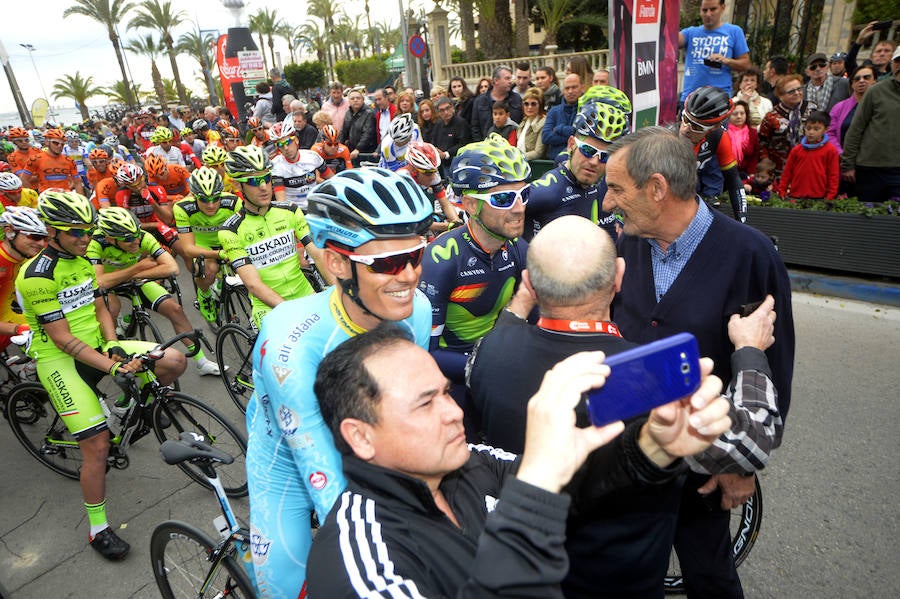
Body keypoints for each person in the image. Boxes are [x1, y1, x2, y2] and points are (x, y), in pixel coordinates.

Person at [467, 215, 783, 597]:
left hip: (527, 569)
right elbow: (752, 441)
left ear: (530, 284)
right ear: (619, 276)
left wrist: (521, 301)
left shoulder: (488, 351)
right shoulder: (653, 378)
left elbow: (506, 329)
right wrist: (750, 351)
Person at [307, 321, 733, 597]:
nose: (455, 411)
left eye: (446, 392)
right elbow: (538, 488)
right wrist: (537, 486)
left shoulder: (466, 462)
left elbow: (566, 483)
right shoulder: (360, 562)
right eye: (425, 404)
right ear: (360, 437)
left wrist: (655, 446)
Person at [603, 126, 794, 599]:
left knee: (710, 578)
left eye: (616, 189)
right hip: (633, 459)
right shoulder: (626, 242)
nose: (607, 203)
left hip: (706, 468)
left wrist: (743, 464)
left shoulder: (750, 255)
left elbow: (774, 367)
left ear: (657, 189)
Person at [245, 168, 434, 597]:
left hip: (366, 432)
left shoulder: (416, 311)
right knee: (286, 582)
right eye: (386, 263)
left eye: (416, 256)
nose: (407, 276)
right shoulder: (289, 344)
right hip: (288, 457)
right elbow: (322, 472)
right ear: (336, 263)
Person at [17, 190, 186, 561]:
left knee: (173, 361)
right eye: (75, 232)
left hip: (96, 345)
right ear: (52, 231)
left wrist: (114, 347)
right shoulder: (37, 276)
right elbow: (61, 339)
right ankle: (98, 530)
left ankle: (130, 412)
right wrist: (113, 366)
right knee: (96, 446)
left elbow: (100, 308)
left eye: (88, 231)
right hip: (59, 359)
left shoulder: (81, 259)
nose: (84, 238)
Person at [419, 133, 530, 437]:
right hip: (453, 376)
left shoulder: (519, 248)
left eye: (524, 194)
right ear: (469, 204)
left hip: (496, 365)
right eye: (504, 198)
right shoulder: (441, 259)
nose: (519, 208)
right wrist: (485, 364)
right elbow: (425, 351)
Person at [86, 207, 220, 375]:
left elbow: (172, 268)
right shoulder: (96, 243)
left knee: (175, 310)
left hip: (133, 278)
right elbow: (99, 281)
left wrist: (134, 274)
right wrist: (138, 267)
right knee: (111, 308)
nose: (136, 241)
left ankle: (202, 361)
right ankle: (111, 356)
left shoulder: (143, 237)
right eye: (128, 239)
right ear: (110, 239)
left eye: (136, 235)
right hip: (109, 285)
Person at [218, 145, 324, 330]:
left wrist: (341, 288)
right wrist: (290, 310)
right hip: (267, 307)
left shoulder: (290, 210)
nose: (263, 187)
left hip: (305, 294)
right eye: (253, 181)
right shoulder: (230, 230)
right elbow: (253, 284)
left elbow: (317, 253)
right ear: (237, 185)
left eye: (266, 178)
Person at [527, 87, 631, 240]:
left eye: (605, 157)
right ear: (571, 145)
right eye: (587, 150)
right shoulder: (548, 191)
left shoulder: (594, 181)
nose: (595, 161)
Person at [172, 167, 242, 324]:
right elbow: (188, 249)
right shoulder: (183, 208)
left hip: (226, 239)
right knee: (209, 270)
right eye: (204, 199)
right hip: (202, 243)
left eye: (215, 198)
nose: (211, 205)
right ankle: (204, 294)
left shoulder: (232, 202)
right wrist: (218, 255)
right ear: (194, 195)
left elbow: (246, 231)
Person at [839, 48, 900, 203]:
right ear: (892, 64)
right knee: (866, 218)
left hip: (897, 172)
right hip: (869, 168)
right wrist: (848, 164)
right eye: (898, 61)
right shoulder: (876, 91)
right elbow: (856, 129)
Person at [678, 86, 748, 222]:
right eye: (685, 119)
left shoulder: (719, 136)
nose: (686, 129)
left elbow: (733, 181)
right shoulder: (666, 140)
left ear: (714, 127)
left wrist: (742, 223)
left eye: (696, 126)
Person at [678, 0, 750, 106]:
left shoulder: (734, 32)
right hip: (691, 98)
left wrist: (726, 60)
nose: (708, 14)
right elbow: (670, 40)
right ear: (700, 11)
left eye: (713, 9)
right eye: (704, 10)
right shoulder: (691, 32)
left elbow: (745, 64)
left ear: (723, 8)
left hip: (719, 100)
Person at [0, 207, 47, 353]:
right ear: (10, 232)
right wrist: (19, 329)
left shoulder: (26, 256)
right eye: (34, 236)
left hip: (9, 314)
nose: (41, 243)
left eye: (45, 238)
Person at [758, 74, 815, 177]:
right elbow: (762, 141)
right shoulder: (771, 117)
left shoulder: (812, 109)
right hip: (781, 169)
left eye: (799, 89)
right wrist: (765, 161)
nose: (797, 93)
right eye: (791, 91)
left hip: (809, 164)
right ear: (780, 96)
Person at [777, 110, 839, 200]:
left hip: (820, 197)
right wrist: (782, 191)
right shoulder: (796, 150)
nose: (811, 132)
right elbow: (787, 172)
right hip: (796, 195)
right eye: (808, 128)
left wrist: (830, 196)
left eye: (816, 129)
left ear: (826, 129)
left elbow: (833, 175)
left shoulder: (831, 150)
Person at [828, 65, 876, 155]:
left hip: (873, 161)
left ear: (874, 81)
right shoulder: (839, 107)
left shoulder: (882, 106)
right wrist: (840, 154)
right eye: (857, 79)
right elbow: (830, 133)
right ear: (852, 84)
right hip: (844, 161)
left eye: (866, 77)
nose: (861, 81)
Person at [470, 66, 524, 141]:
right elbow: (475, 127)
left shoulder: (517, 99)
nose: (510, 81)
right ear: (496, 80)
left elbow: (522, 122)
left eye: (510, 78)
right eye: (507, 78)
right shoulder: (480, 101)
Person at [24, 129, 84, 195]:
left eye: (62, 144)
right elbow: (23, 179)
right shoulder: (35, 159)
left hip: (65, 197)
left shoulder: (69, 161)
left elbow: (78, 182)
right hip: (46, 198)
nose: (59, 146)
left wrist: (82, 200)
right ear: (47, 142)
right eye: (56, 143)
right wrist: (33, 196)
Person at [542, 73, 585, 161]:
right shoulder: (553, 111)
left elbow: (584, 137)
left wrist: (559, 129)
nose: (570, 91)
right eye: (567, 88)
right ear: (563, 91)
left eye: (574, 87)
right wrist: (573, 135)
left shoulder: (587, 110)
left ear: (582, 88)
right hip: (555, 163)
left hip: (580, 161)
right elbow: (546, 137)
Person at [431, 97, 472, 168]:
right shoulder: (438, 125)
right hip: (440, 163)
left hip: (457, 163)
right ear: (438, 113)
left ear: (452, 108)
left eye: (448, 108)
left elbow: (463, 144)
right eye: (442, 110)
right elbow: (434, 142)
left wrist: (446, 154)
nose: (446, 112)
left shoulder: (461, 123)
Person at [339, 89, 377, 164]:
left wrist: (358, 149)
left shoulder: (369, 113)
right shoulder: (348, 113)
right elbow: (343, 132)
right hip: (352, 152)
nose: (355, 100)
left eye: (358, 98)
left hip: (366, 153)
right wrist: (339, 146)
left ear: (363, 100)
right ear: (349, 101)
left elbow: (368, 134)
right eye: (352, 98)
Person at [726, 100, 759, 178]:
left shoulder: (752, 133)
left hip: (747, 175)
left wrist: (751, 174)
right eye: (735, 114)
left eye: (742, 113)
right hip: (726, 175)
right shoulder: (723, 133)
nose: (739, 116)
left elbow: (755, 155)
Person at [517, 87, 547, 160]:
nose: (529, 107)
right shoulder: (523, 122)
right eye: (526, 104)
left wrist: (517, 157)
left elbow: (538, 153)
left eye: (533, 104)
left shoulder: (544, 123)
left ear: (540, 105)